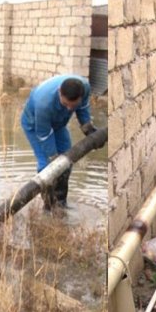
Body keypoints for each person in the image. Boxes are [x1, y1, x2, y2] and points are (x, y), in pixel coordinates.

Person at [21, 75, 98, 211]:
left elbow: (83, 107)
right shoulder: (43, 103)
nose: (69, 109)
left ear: (80, 96)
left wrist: (87, 127)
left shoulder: (84, 88)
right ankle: (48, 205)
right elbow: (44, 135)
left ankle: (61, 203)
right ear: (59, 92)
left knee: (67, 162)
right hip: (35, 126)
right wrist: (53, 158)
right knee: (48, 165)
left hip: (58, 123)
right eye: (65, 104)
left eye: (72, 106)